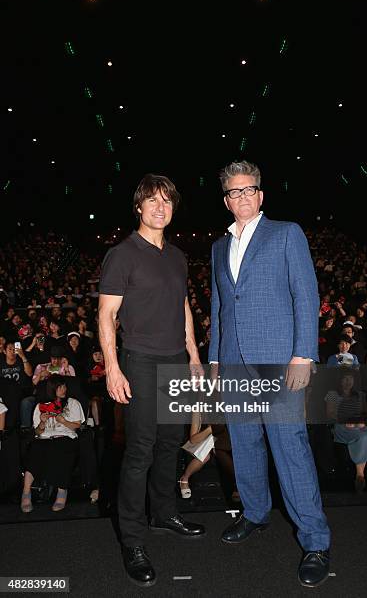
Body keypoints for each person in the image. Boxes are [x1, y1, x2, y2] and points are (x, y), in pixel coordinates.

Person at [209, 160, 330, 588]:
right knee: (244, 445)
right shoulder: (218, 247)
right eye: (233, 192)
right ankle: (255, 513)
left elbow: (306, 293)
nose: (241, 197)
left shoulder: (286, 233)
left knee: (290, 449)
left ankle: (315, 540)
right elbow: (221, 307)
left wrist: (303, 354)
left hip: (280, 362)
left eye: (248, 190)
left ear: (260, 195)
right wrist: (216, 360)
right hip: (234, 362)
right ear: (226, 200)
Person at [98, 173, 205, 588]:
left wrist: (194, 356)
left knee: (167, 444)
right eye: (152, 201)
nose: (160, 208)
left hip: (176, 361)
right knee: (140, 451)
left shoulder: (178, 256)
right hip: (140, 361)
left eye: (167, 201)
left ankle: (165, 513)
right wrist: (112, 366)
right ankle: (133, 540)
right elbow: (106, 315)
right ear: (139, 207)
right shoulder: (122, 254)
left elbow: (183, 309)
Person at [21, 375, 84, 513]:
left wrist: (63, 421)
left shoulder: (73, 403)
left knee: (62, 448)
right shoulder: (41, 406)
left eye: (64, 386)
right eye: (60, 387)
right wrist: (42, 422)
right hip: (45, 437)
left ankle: (62, 491)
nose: (63, 389)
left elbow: (77, 426)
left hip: (65, 436)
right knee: (35, 450)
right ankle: (26, 493)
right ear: (52, 389)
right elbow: (37, 431)